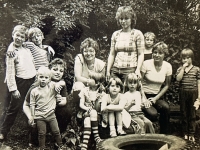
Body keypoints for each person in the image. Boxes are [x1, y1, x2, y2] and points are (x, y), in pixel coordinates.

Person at [0, 25, 36, 141]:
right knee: (14, 108)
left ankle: (33, 133)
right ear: (13, 35)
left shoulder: (25, 48)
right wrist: (14, 89)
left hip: (32, 79)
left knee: (32, 105)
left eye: (22, 36)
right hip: (20, 82)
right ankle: (3, 132)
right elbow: (10, 71)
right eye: (17, 35)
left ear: (25, 39)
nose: (19, 38)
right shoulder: (11, 51)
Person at [23, 58, 69, 147]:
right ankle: (33, 136)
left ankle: (56, 135)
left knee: (66, 111)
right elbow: (25, 105)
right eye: (55, 69)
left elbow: (64, 100)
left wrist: (60, 100)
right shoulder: (37, 86)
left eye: (61, 71)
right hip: (37, 112)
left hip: (51, 112)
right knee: (36, 140)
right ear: (49, 70)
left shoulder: (60, 84)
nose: (58, 72)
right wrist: (31, 117)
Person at [30, 66, 66, 150]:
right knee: (42, 133)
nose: (43, 79)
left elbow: (62, 82)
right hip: (40, 116)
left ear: (49, 79)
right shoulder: (34, 91)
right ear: (37, 77)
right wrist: (32, 116)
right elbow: (32, 104)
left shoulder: (52, 86)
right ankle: (42, 147)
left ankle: (61, 146)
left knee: (56, 131)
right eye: (41, 77)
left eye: (46, 78)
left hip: (51, 115)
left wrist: (58, 85)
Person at [106, 6, 144, 83]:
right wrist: (108, 70)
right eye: (121, 19)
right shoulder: (115, 34)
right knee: (114, 93)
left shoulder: (137, 34)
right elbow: (112, 54)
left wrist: (138, 70)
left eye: (126, 18)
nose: (123, 21)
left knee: (127, 93)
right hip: (115, 70)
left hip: (130, 70)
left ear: (132, 20)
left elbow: (141, 54)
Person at [141, 42, 172, 134]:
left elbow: (167, 85)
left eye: (160, 53)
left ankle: (164, 134)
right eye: (155, 52)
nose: (156, 55)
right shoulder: (146, 64)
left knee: (166, 108)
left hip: (156, 96)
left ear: (164, 54)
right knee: (153, 114)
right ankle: (147, 134)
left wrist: (155, 98)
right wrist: (144, 99)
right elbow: (139, 83)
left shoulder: (168, 66)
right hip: (143, 95)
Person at [72, 38, 106, 112]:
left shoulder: (101, 64)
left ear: (95, 52)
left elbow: (102, 80)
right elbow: (78, 77)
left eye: (91, 51)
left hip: (95, 88)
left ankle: (97, 112)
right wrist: (89, 82)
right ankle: (80, 109)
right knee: (78, 85)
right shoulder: (79, 58)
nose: (88, 53)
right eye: (86, 51)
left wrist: (95, 85)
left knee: (102, 91)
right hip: (82, 86)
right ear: (82, 52)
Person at [176, 48, 200, 142]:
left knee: (192, 113)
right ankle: (185, 133)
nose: (185, 60)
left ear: (192, 58)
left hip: (193, 92)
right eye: (183, 58)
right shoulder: (180, 69)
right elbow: (178, 79)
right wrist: (182, 68)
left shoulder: (197, 69)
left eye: (187, 58)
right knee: (184, 113)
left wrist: (199, 97)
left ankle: (192, 133)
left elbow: (199, 83)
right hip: (183, 92)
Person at [78, 70, 105, 150]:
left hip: (97, 116)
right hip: (86, 112)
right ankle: (87, 143)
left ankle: (88, 142)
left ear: (96, 83)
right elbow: (81, 104)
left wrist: (98, 100)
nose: (87, 80)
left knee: (89, 118)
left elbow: (100, 108)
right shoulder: (84, 91)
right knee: (87, 118)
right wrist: (87, 108)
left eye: (90, 78)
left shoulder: (101, 93)